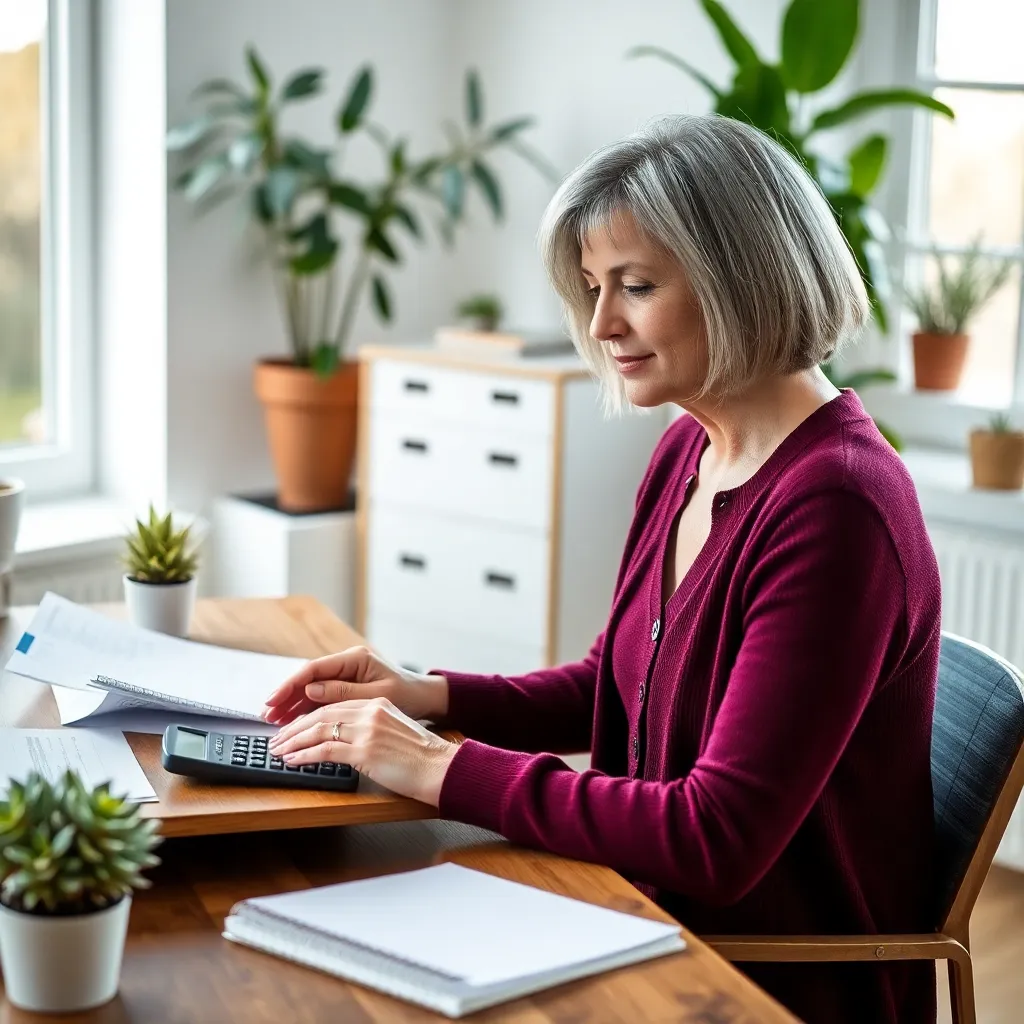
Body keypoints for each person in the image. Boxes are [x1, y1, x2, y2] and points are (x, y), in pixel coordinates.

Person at [263, 114, 942, 1024]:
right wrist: (426, 694)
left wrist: (438, 766)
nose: (601, 323)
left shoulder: (837, 507)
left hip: (753, 978)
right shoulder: (690, 451)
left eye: (637, 285)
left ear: (744, 278)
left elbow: (715, 839)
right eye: (592, 287)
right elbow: (619, 686)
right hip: (637, 913)